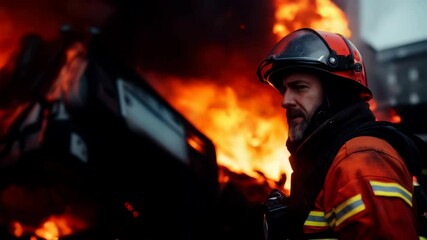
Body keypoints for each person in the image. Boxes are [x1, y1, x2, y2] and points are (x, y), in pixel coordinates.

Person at [257, 27, 426, 239]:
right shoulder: (329, 158)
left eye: (299, 88)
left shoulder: (360, 161)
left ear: (335, 93)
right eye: (284, 90)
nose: (285, 101)